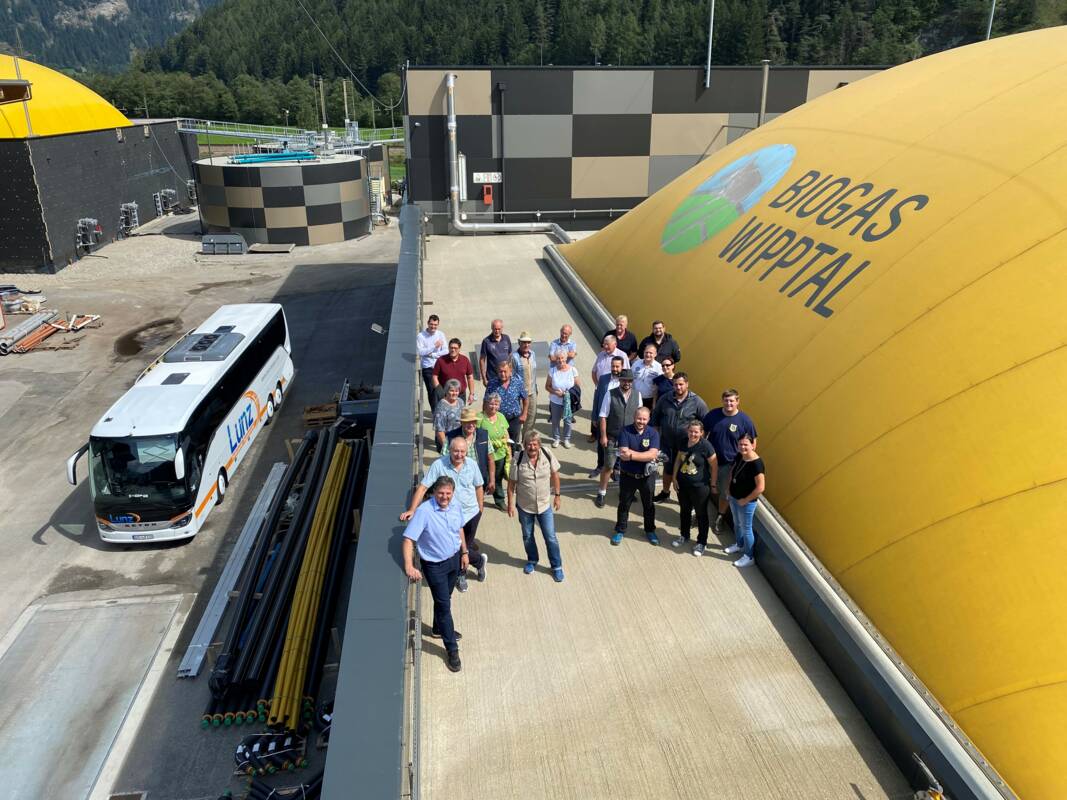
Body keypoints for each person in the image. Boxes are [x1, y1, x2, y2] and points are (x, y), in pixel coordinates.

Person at [401, 437, 488, 592]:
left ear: (466, 451)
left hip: (470, 513)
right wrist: (412, 509)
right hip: (451, 514)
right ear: (450, 450)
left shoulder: (472, 465)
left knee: (463, 547)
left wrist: (480, 508)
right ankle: (476, 564)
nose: (459, 454)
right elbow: (422, 487)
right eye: (456, 451)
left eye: (462, 451)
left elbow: (479, 486)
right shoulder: (439, 465)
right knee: (460, 549)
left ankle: (464, 571)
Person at [401, 476, 467, 672]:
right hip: (435, 566)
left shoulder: (455, 505)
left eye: (448, 493)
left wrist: (464, 552)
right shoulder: (424, 512)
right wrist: (409, 566)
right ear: (434, 493)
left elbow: (459, 529)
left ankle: (438, 629)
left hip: (454, 560)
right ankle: (452, 650)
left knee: (445, 598)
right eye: (441, 493)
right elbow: (408, 540)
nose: (444, 497)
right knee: (444, 606)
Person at [508, 432, 565, 582]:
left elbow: (555, 475)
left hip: (544, 505)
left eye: (535, 444)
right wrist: (510, 504)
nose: (532, 447)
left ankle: (556, 566)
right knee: (527, 536)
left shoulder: (547, 453)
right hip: (525, 506)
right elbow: (511, 484)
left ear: (539, 445)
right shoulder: (518, 458)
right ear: (525, 445)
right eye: (529, 444)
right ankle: (532, 560)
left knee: (550, 537)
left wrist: (557, 496)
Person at [704, 388, 759, 533]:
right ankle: (699, 515)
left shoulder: (745, 421)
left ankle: (720, 518)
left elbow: (752, 443)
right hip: (709, 461)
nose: (729, 403)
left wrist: (744, 460)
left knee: (725, 493)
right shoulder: (713, 415)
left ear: (737, 402)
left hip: (729, 465)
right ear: (722, 401)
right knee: (702, 488)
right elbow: (702, 433)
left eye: (732, 401)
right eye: (726, 400)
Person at [650, 372, 708, 502]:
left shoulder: (697, 402)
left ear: (687, 384)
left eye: (681, 384)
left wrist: (699, 443)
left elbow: (706, 423)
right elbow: (656, 418)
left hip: (687, 447)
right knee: (668, 469)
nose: (678, 387)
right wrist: (655, 440)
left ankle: (686, 499)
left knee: (685, 473)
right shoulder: (665, 398)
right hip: (667, 443)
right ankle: (665, 492)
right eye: (675, 384)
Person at [612, 406, 661, 546]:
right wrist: (645, 456)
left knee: (649, 505)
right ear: (634, 417)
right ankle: (620, 530)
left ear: (649, 419)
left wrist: (633, 455)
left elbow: (653, 454)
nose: (641, 421)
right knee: (624, 504)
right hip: (628, 476)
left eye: (644, 419)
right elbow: (623, 453)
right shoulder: (625, 431)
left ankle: (650, 530)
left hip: (647, 477)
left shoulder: (653, 433)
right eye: (639, 418)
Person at [595, 368, 641, 508]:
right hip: (613, 437)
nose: (627, 382)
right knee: (608, 466)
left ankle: (625, 492)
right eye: (624, 380)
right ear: (620, 380)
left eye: (629, 380)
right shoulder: (610, 394)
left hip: (630, 438)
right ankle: (602, 492)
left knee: (627, 468)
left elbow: (640, 417)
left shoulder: (637, 395)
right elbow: (603, 416)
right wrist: (603, 436)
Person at [672, 420, 715, 556]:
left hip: (700, 487)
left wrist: (713, 484)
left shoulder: (706, 446)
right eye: (691, 431)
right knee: (684, 510)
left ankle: (701, 542)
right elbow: (679, 459)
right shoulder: (684, 442)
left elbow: (714, 466)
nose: (693, 434)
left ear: (701, 433)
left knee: (701, 514)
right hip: (683, 485)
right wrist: (674, 477)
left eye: (696, 432)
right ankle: (684, 535)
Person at [725, 433, 765, 568]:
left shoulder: (757, 464)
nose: (742, 447)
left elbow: (760, 487)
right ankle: (739, 544)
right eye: (740, 444)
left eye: (746, 444)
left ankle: (749, 556)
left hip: (746, 502)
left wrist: (746, 500)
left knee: (746, 528)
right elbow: (732, 472)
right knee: (737, 523)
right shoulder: (739, 456)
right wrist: (728, 488)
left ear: (752, 445)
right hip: (733, 497)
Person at [586, 356, 624, 474]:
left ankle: (616, 469)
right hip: (603, 418)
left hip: (618, 420)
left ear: (622, 367)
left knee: (618, 445)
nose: (615, 368)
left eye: (617, 366)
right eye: (613, 366)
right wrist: (594, 417)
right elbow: (596, 398)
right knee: (601, 444)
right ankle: (600, 466)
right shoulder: (603, 379)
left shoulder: (625, 381)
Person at [485, 360, 528, 452]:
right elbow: (486, 401)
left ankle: (512, 460)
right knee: (499, 441)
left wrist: (524, 414)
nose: (503, 374)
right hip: (498, 418)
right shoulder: (491, 384)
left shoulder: (518, 383)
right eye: (500, 371)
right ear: (497, 371)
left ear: (510, 371)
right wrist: (485, 416)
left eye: (505, 371)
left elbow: (525, 399)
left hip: (514, 418)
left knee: (513, 441)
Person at [478, 393, 511, 510]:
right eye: (491, 403)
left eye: (496, 404)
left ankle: (499, 500)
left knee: (497, 479)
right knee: (483, 478)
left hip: (500, 454)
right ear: (486, 404)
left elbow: (506, 434)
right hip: (485, 455)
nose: (493, 406)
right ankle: (479, 499)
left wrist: (508, 449)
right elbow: (476, 436)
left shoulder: (501, 416)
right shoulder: (480, 418)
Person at [447, 406, 492, 489]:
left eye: (474, 421)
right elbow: (445, 459)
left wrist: (492, 480)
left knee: (479, 501)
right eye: (468, 422)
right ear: (462, 423)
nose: (471, 425)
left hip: (479, 479)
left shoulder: (483, 435)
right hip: (457, 480)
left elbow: (490, 459)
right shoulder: (451, 437)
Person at [545, 350, 579, 448]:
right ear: (556, 359)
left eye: (562, 358)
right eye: (558, 358)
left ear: (566, 358)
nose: (560, 360)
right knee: (555, 421)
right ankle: (556, 438)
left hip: (568, 402)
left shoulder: (573, 370)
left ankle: (566, 439)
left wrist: (567, 394)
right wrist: (555, 392)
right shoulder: (552, 371)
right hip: (555, 401)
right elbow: (547, 386)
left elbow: (577, 386)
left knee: (567, 421)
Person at [512, 331, 538, 445]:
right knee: (519, 419)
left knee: (531, 418)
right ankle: (516, 443)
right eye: (523, 342)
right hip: (520, 395)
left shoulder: (533, 354)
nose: (526, 345)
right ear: (519, 343)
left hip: (532, 392)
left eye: (528, 342)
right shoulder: (514, 357)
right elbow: (511, 376)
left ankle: (526, 442)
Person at [416, 314, 448, 406]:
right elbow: (421, 352)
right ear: (428, 323)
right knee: (432, 391)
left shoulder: (440, 334)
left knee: (443, 388)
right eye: (431, 324)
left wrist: (433, 355)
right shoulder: (421, 336)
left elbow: (445, 351)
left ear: (438, 325)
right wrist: (435, 346)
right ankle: (435, 412)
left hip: (440, 366)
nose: (433, 326)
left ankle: (443, 409)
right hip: (428, 368)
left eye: (435, 325)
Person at [433, 338, 475, 404]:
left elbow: (470, 377)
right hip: (444, 396)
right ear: (448, 348)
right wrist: (439, 391)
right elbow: (434, 377)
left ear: (459, 349)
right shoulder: (440, 360)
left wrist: (471, 394)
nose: (453, 350)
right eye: (451, 348)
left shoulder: (465, 360)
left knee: (460, 414)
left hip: (460, 395)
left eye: (455, 348)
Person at [479, 319, 512, 389]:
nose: (497, 331)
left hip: (506, 376)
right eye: (495, 329)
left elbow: (510, 355)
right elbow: (482, 360)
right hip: (492, 377)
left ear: (502, 328)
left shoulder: (506, 338)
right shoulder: (486, 341)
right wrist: (484, 378)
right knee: (494, 399)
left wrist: (510, 371)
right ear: (492, 328)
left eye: (499, 329)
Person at [432, 380, 464, 453]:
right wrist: (447, 448)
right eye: (452, 391)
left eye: (456, 391)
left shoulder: (460, 402)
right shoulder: (441, 406)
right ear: (446, 391)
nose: (454, 393)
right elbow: (439, 430)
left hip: (459, 440)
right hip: (446, 440)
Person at [631, 343, 663, 409]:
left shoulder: (659, 368)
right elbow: (630, 379)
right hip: (635, 398)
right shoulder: (636, 363)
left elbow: (659, 386)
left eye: (651, 353)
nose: (648, 354)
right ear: (643, 353)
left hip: (650, 400)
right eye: (646, 352)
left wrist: (654, 403)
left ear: (655, 354)